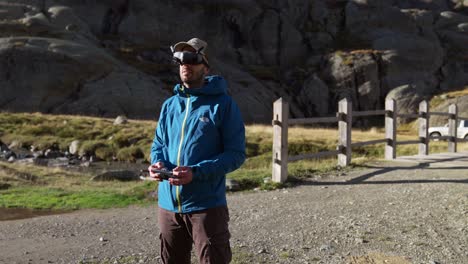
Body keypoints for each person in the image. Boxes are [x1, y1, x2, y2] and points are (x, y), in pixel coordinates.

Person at [148, 38, 246, 264]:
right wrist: (157, 164)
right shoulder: (170, 105)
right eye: (180, 59)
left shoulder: (223, 105)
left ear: (206, 66)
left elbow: (235, 154)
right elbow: (158, 145)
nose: (185, 64)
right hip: (168, 206)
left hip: (207, 206)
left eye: (192, 59)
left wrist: (196, 172)